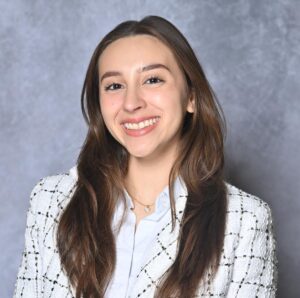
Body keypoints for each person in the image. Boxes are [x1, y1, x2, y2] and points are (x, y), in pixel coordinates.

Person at [14, 15, 278, 298]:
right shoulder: (51, 201)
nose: (131, 103)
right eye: (114, 86)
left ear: (191, 96)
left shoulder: (244, 221)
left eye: (153, 80)